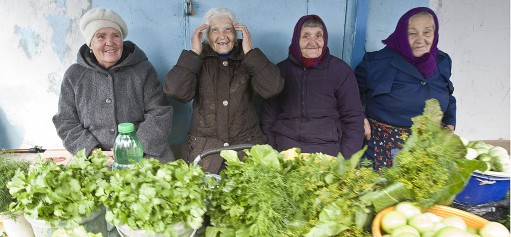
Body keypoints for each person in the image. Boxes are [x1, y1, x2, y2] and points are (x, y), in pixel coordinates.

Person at [163, 7, 284, 174]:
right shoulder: (198, 59)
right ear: (206, 35)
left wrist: (250, 52)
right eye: (215, 30)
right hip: (205, 153)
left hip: (246, 149)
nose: (222, 35)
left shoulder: (248, 57)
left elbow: (272, 87)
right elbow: (175, 90)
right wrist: (194, 53)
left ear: (237, 33)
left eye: (228, 29)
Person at [52, 7, 174, 162]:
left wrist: (133, 149)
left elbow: (160, 113)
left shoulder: (142, 69)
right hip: (94, 160)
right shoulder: (74, 75)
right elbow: (66, 121)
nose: (109, 42)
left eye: (115, 35)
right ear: (90, 44)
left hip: (144, 155)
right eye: (100, 36)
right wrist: (93, 152)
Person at [354, 7, 456, 170]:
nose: (420, 39)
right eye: (412, 33)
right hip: (381, 150)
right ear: (401, 34)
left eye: (427, 32)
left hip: (427, 151)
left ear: (435, 34)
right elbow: (349, 96)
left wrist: (450, 123)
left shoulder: (442, 61)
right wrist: (359, 118)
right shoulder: (375, 63)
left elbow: (449, 95)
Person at [260, 15, 364, 159]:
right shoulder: (280, 71)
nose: (313, 42)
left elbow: (353, 118)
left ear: (325, 39)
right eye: (306, 36)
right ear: (297, 40)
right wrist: (272, 153)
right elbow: (268, 119)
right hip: (286, 150)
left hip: (327, 152)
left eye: (318, 36)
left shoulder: (340, 71)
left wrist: (345, 160)